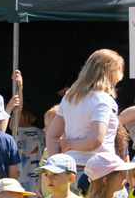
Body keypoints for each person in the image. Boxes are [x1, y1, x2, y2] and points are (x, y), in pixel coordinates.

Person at [47, 49, 123, 179]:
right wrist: (69, 144)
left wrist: (56, 169)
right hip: (99, 173)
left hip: (70, 172)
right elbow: (95, 140)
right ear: (112, 74)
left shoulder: (69, 98)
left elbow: (52, 136)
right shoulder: (103, 99)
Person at [15, 100, 45, 198]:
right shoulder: (41, 133)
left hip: (20, 173)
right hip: (38, 175)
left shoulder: (14, 133)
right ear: (33, 118)